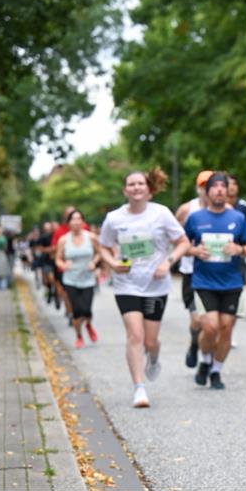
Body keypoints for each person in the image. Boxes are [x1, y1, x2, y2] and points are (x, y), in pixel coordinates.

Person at [99, 167, 191, 408]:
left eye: (140, 183)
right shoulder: (114, 218)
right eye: (131, 184)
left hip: (156, 286)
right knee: (135, 335)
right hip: (126, 285)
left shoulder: (161, 214)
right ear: (125, 190)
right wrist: (112, 263)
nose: (136, 187)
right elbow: (103, 246)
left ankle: (154, 355)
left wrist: (167, 262)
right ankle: (139, 388)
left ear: (148, 189)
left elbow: (183, 242)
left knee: (150, 341)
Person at [183, 172, 246, 390]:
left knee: (226, 329)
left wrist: (239, 249)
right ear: (207, 191)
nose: (220, 189)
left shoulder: (238, 219)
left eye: (224, 186)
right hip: (204, 281)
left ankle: (216, 371)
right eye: (215, 186)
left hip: (232, 282)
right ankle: (205, 361)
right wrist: (195, 250)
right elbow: (182, 246)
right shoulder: (195, 219)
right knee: (211, 327)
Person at [176, 170, 213, 368]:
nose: (207, 190)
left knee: (214, 322)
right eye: (203, 186)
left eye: (211, 185)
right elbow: (174, 240)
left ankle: (209, 361)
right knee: (198, 320)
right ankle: (194, 344)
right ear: (198, 188)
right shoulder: (186, 210)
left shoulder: (227, 210)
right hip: (192, 272)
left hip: (217, 273)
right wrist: (193, 251)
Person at [55, 210, 101, 349]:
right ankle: (79, 336)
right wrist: (63, 265)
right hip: (70, 280)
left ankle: (88, 325)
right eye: (73, 219)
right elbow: (58, 259)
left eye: (79, 219)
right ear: (68, 222)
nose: (76, 222)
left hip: (88, 279)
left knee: (86, 309)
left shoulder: (91, 237)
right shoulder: (63, 240)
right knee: (76, 311)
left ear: (82, 221)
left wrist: (94, 262)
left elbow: (99, 253)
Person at [227, 174, 246, 240]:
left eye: (234, 184)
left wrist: (243, 238)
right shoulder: (218, 207)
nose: (231, 187)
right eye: (229, 184)